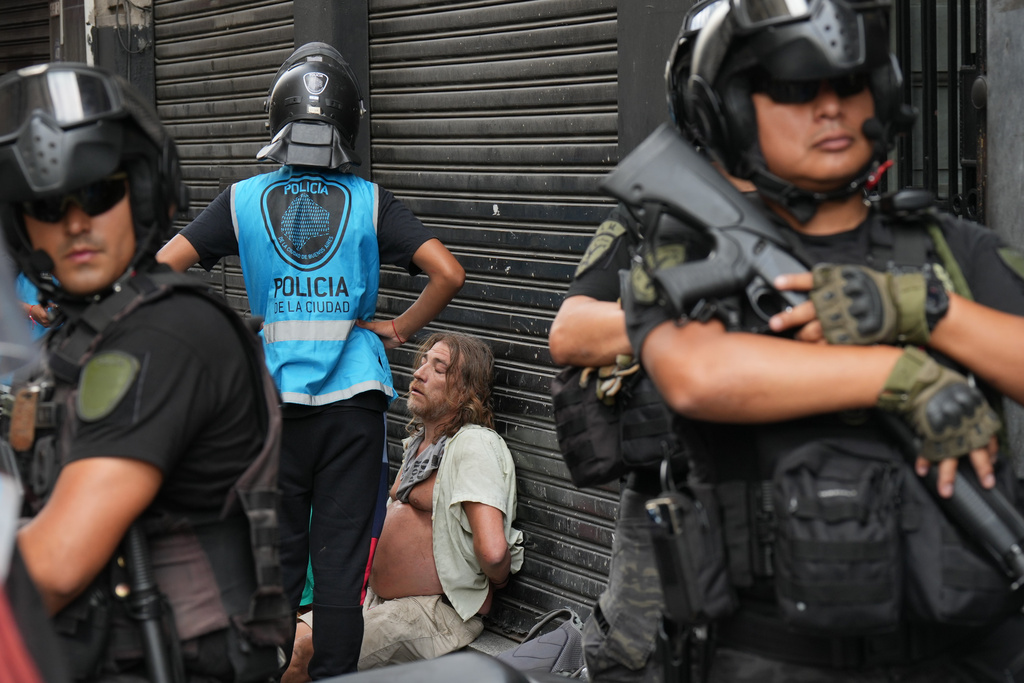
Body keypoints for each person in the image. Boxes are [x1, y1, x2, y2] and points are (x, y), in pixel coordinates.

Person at [617, 1, 1024, 681]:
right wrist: (901, 375)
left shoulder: (950, 250)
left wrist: (922, 309)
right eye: (796, 88)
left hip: (969, 651)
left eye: (849, 85)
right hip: (775, 655)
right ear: (735, 110)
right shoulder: (691, 252)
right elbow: (697, 373)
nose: (830, 109)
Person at [157, 42, 465, 677]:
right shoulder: (370, 200)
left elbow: (160, 272)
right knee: (341, 574)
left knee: (275, 567)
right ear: (348, 123)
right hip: (353, 408)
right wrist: (398, 328)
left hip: (272, 412)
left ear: (277, 120)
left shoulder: (242, 201)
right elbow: (448, 272)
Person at [0, 62, 291, 682]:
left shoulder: (166, 334)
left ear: (144, 191)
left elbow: (56, 564)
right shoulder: (81, 339)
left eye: (100, 192)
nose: (76, 222)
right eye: (49, 205)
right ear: (22, 225)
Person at [548, 3, 750, 681]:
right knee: (633, 656)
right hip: (668, 491)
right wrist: (693, 316)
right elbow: (571, 330)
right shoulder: (651, 211)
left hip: (791, 482)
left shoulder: (828, 210)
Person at [281, 332, 524, 681]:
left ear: (464, 389)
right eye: (422, 362)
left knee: (307, 651)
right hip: (376, 601)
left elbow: (494, 552)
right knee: (285, 639)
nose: (419, 373)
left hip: (433, 612)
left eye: (438, 368)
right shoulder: (419, 446)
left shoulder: (474, 445)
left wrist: (493, 580)